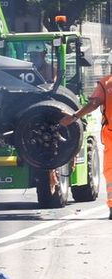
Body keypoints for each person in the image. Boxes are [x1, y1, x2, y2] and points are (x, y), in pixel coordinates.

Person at [59, 71, 112, 219]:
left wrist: (74, 116)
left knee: (111, 172)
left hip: (111, 134)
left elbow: (94, 103)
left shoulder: (106, 83)